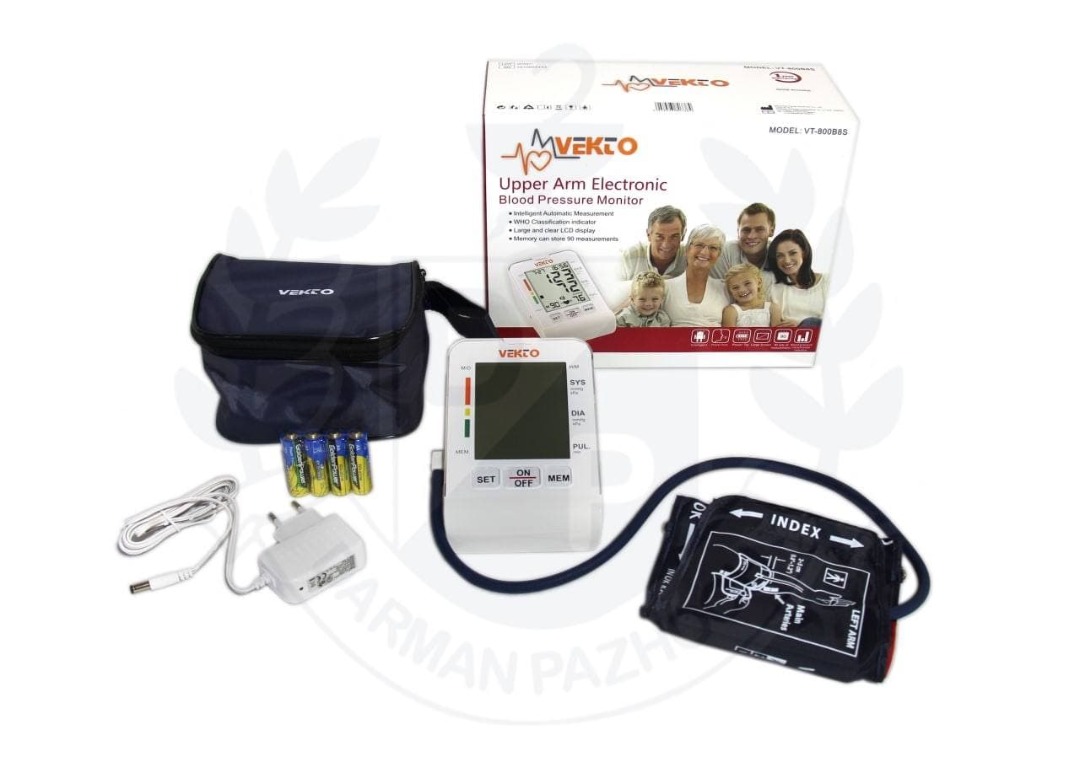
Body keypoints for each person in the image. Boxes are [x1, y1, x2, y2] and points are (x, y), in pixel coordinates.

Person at [663, 224, 729, 326]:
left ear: (718, 255)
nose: (704, 252)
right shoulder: (665, 287)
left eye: (713, 248)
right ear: (687, 249)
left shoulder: (726, 289)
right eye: (699, 245)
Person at [765, 229, 828, 327]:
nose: (787, 260)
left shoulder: (827, 281)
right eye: (780, 256)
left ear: (804, 253)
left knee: (811, 322)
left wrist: (800, 325)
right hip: (789, 335)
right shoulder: (771, 284)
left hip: (819, 332)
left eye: (793, 253)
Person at [715, 202, 777, 295]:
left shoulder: (780, 254)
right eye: (746, 230)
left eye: (759, 229)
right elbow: (719, 294)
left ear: (771, 231)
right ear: (738, 231)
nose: (751, 236)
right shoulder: (724, 252)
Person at [617, 205, 687, 280]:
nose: (666, 244)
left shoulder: (690, 257)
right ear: (648, 235)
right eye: (659, 236)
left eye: (674, 236)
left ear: (683, 235)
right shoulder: (629, 257)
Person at [720, 263, 785, 327]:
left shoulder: (772, 308)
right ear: (730, 292)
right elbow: (729, 333)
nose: (742, 290)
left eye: (747, 283)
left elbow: (777, 332)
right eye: (735, 287)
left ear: (759, 283)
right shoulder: (731, 311)